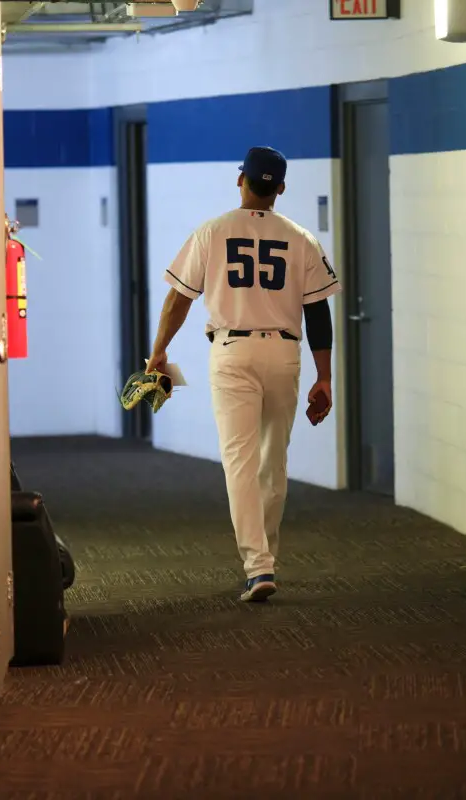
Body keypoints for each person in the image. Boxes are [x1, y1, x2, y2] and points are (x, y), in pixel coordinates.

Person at [146, 145, 341, 602]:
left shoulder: (212, 232)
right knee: (274, 462)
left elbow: (179, 298)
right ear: (282, 188)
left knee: (240, 461)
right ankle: (265, 560)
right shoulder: (301, 238)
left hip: (232, 351)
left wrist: (159, 351)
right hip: (285, 354)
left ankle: (258, 566)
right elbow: (319, 312)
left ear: (242, 181)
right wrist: (324, 376)